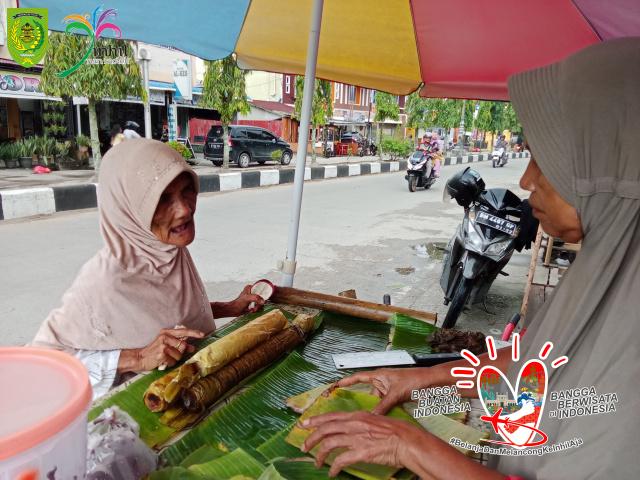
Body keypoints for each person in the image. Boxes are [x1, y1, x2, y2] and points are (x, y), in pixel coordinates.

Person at [301, 38, 639, 479]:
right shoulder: (604, 272)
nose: (526, 178)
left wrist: (410, 445)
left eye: (549, 158)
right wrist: (419, 381)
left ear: (612, 163)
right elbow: (535, 374)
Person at [31, 139, 265, 399]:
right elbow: (41, 365)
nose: (185, 210)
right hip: (141, 421)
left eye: (187, 190)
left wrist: (229, 308)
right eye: (163, 199)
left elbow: (167, 315)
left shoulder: (166, 249)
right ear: (130, 209)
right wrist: (138, 358)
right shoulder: (105, 280)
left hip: (194, 394)